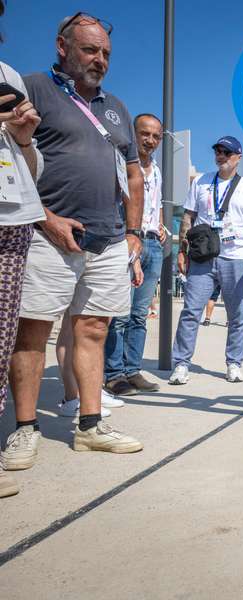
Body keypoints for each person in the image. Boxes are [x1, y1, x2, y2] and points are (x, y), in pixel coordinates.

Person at [3, 14, 145, 471]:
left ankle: (89, 425)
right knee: (33, 333)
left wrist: (133, 232)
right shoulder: (31, 88)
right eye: (89, 50)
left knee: (93, 331)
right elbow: (11, 157)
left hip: (106, 240)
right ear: (62, 47)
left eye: (105, 53)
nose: (99, 60)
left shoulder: (117, 108)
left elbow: (132, 174)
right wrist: (45, 218)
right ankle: (25, 428)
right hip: (49, 235)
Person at [169, 136, 243, 385]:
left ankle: (234, 363)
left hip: (235, 258)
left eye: (226, 152)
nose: (220, 156)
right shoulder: (201, 182)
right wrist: (182, 250)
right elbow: (188, 217)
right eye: (218, 151)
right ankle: (181, 364)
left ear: (237, 158)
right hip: (203, 257)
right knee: (191, 311)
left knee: (237, 315)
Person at [0, 0, 46, 496]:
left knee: (1, 338)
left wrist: (24, 137)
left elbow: (31, 167)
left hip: (13, 216)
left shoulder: (9, 73)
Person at [103, 113, 166, 396]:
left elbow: (156, 203)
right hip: (130, 243)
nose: (150, 140)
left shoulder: (158, 170)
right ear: (134, 133)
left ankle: (132, 369)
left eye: (155, 136)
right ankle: (114, 374)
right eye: (145, 134)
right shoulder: (121, 165)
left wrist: (161, 225)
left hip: (153, 244)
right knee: (120, 314)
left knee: (140, 314)